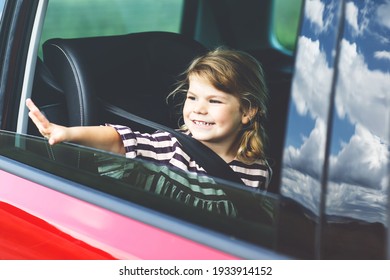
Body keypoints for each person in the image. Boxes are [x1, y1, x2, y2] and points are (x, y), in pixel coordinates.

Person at [26, 47, 271, 189]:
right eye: (193, 97)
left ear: (247, 111)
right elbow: (121, 140)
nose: (199, 109)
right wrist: (67, 133)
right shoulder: (172, 147)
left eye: (214, 101)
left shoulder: (258, 170)